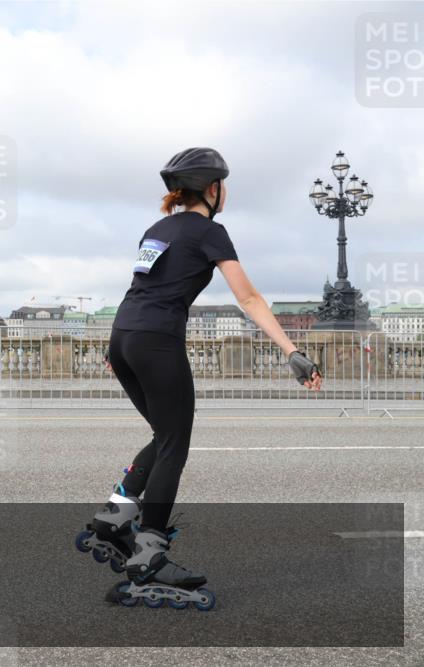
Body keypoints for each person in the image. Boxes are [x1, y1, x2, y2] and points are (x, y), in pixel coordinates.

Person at [92, 148, 322, 602]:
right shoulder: (210, 232)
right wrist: (292, 351)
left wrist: (118, 346)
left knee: (165, 434)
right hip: (157, 341)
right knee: (174, 443)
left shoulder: (157, 229)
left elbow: (141, 288)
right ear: (213, 189)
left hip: (124, 336)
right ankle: (149, 555)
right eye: (224, 186)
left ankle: (115, 515)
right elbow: (249, 298)